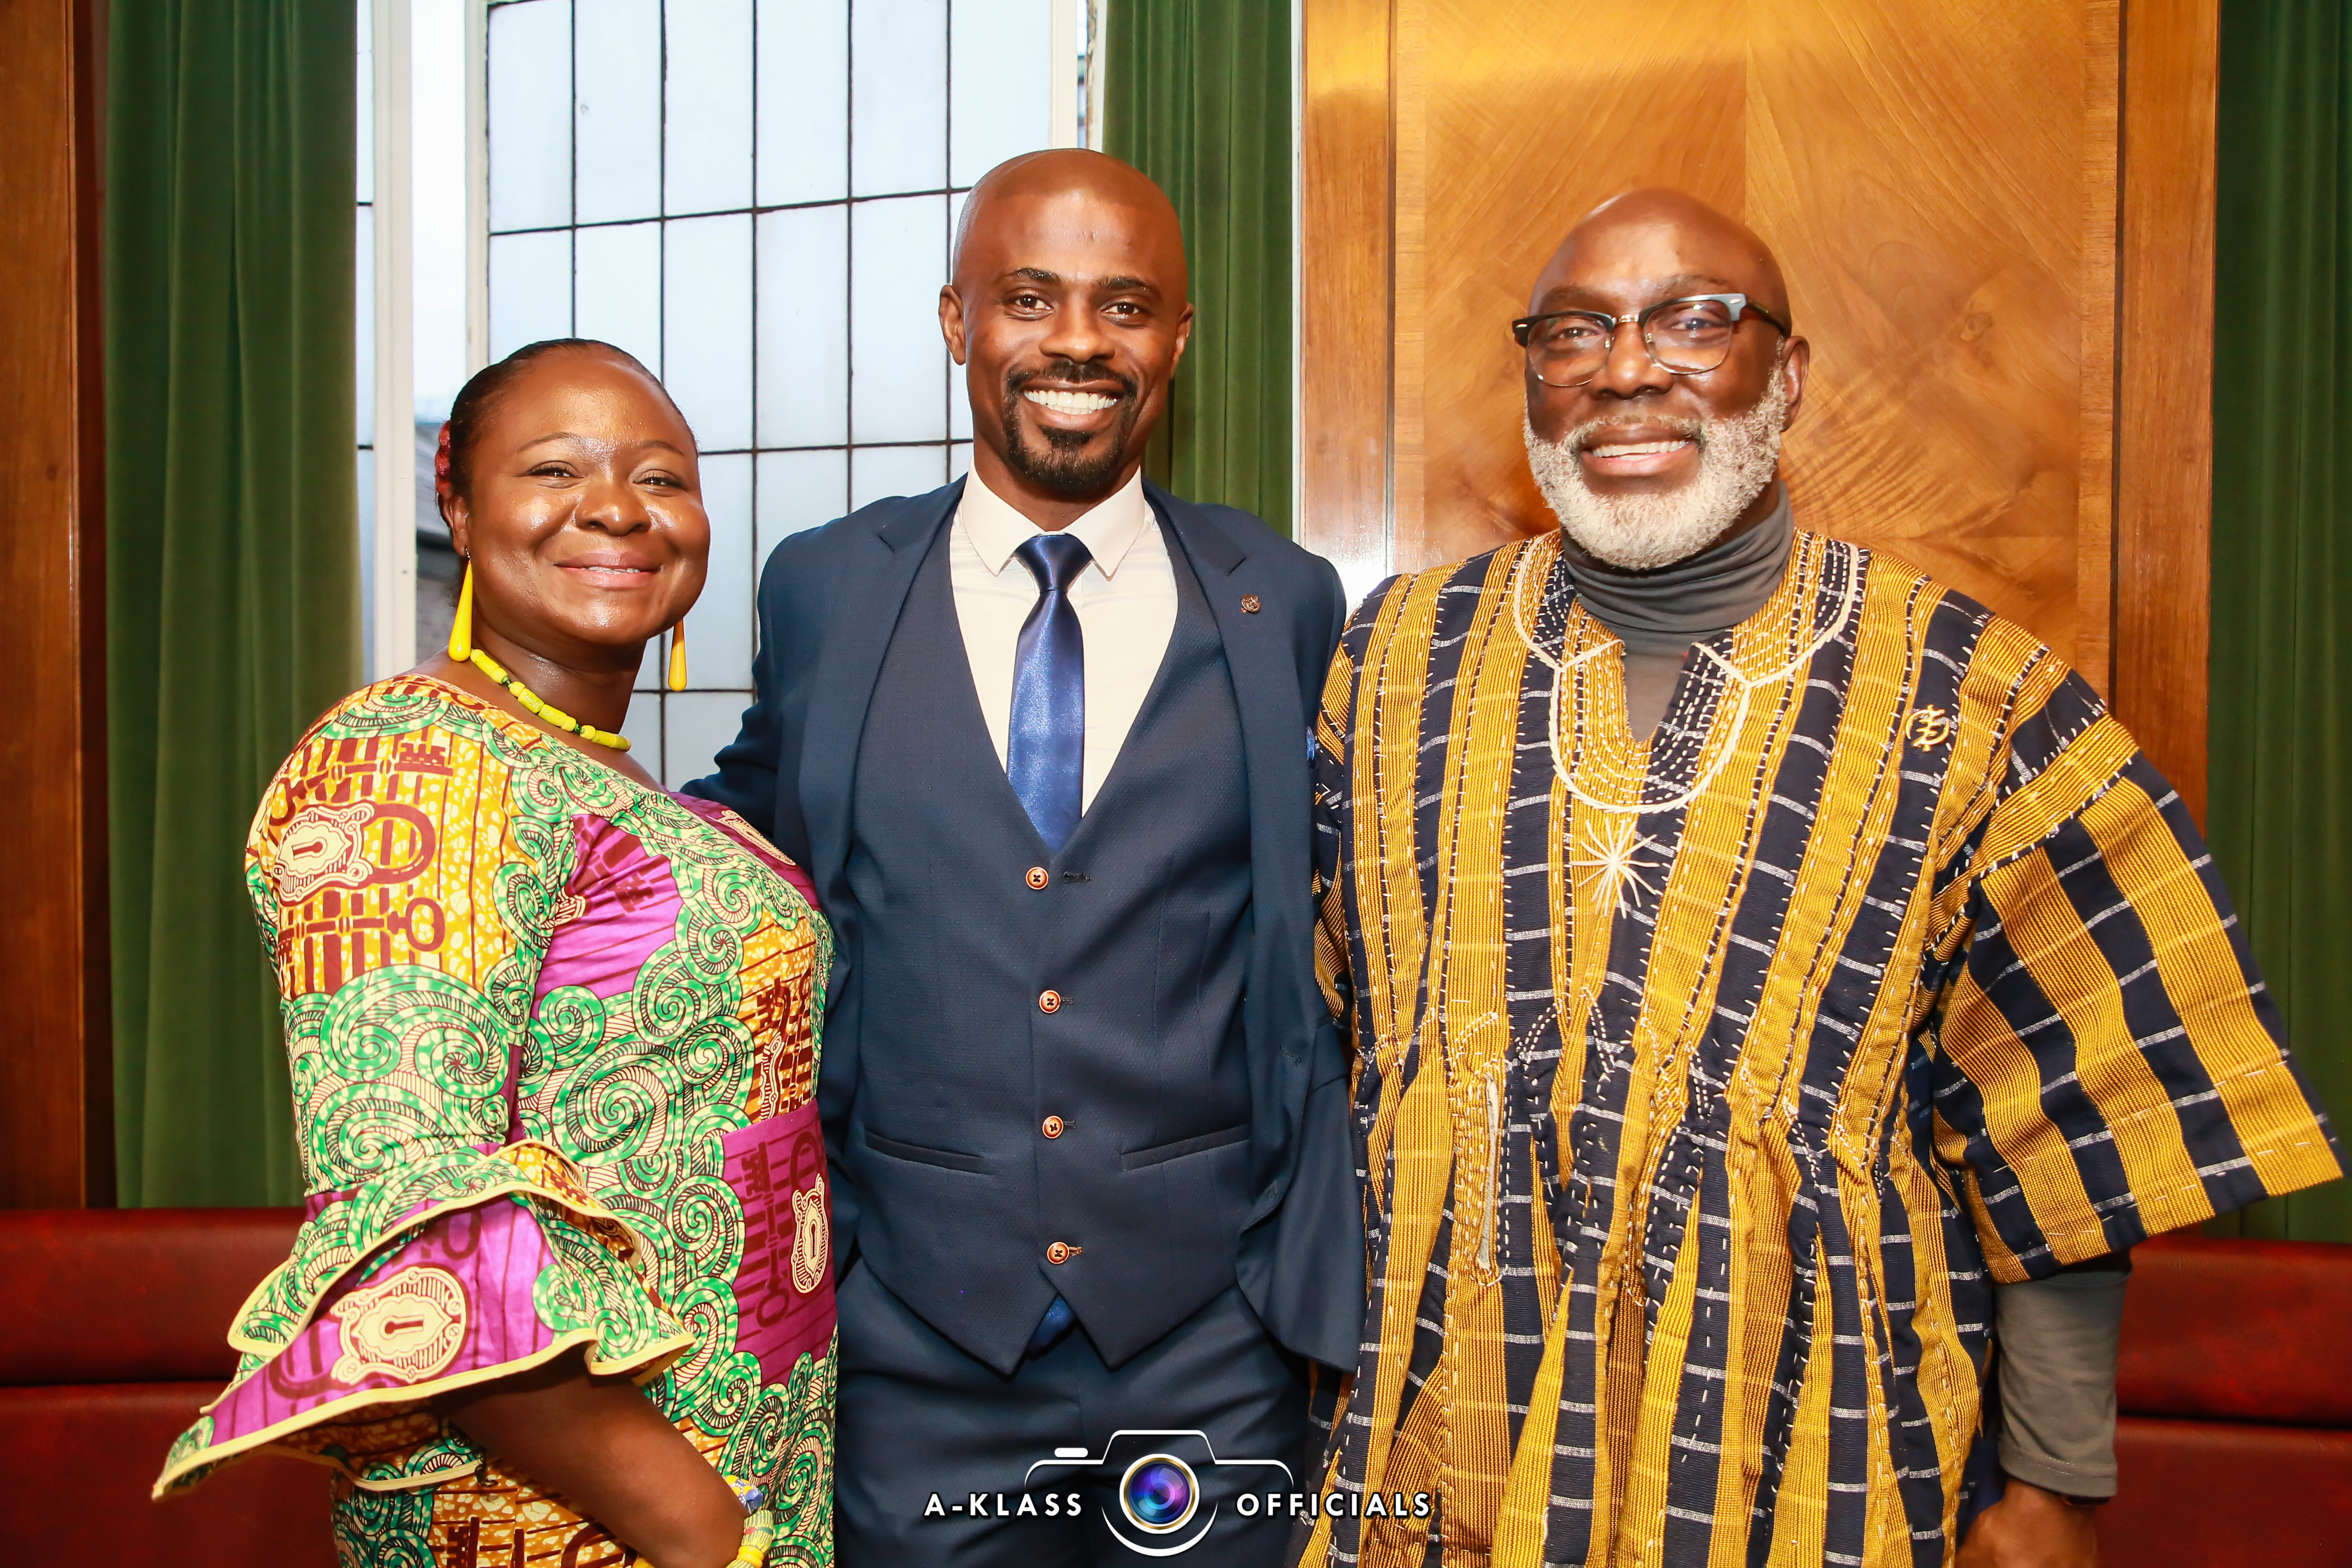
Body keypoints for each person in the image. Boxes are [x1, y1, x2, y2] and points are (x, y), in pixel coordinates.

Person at [1304, 189, 2342, 1567]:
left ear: (1785, 374)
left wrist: (2055, 1482)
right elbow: (1296, 1050)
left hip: (1812, 1449)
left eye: (1692, 323)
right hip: (1430, 1438)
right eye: (1575, 333)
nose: (1626, 370)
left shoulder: (1983, 703)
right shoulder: (1388, 665)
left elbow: (2077, 1133)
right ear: (1534, 378)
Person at [686, 149, 1361, 1565]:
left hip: (1211, 1354)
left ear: (1178, 338)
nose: (1077, 342)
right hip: (914, 1350)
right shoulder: (824, 589)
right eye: (1030, 298)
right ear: (958, 321)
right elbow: (734, 840)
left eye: (1125, 306)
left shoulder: (1286, 604)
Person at [152, 339, 835, 1568]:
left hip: (751, 1478)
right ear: (457, 504)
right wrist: (700, 1531)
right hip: (570, 1520)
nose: (617, 507)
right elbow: (420, 1221)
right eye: (555, 470)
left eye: (662, 478)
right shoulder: (410, 766)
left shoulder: (620, 784)